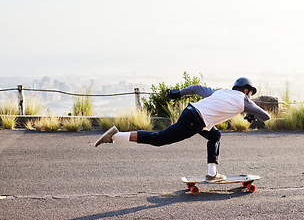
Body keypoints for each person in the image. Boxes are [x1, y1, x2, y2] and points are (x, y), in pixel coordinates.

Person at [94, 77, 271, 182]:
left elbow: (196, 88)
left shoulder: (221, 91)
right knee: (159, 139)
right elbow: (266, 116)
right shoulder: (245, 101)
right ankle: (115, 136)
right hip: (195, 121)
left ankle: (212, 174)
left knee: (215, 135)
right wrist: (252, 115)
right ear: (246, 90)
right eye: (250, 93)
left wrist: (178, 93)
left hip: (191, 112)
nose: (250, 96)